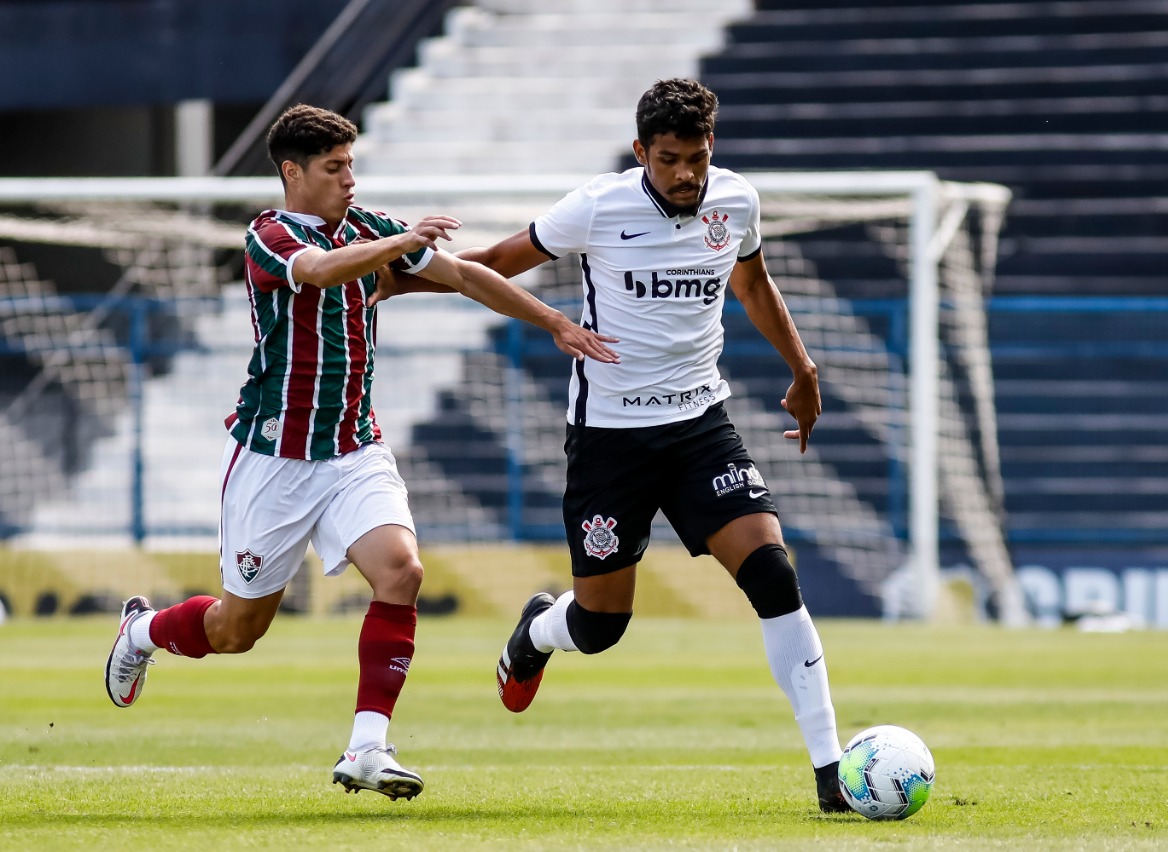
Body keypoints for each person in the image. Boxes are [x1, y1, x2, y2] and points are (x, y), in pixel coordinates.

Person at [103, 104, 619, 801]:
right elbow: (318, 272)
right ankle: (142, 632)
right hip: (276, 460)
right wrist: (400, 241)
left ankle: (368, 747)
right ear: (293, 172)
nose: (349, 178)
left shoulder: (371, 228)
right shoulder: (269, 236)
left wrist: (554, 319)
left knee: (402, 571)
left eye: (352, 165)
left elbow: (464, 276)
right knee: (236, 630)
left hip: (354, 450)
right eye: (334, 167)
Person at [373, 78, 850, 812]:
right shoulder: (598, 206)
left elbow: (754, 284)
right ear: (641, 153)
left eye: (696, 156)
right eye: (668, 160)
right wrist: (411, 283)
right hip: (610, 441)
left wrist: (803, 367)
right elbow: (499, 260)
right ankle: (538, 630)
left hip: (701, 429)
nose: (686, 173)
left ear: (711, 147)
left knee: (774, 578)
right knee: (600, 627)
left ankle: (831, 773)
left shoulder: (736, 202)